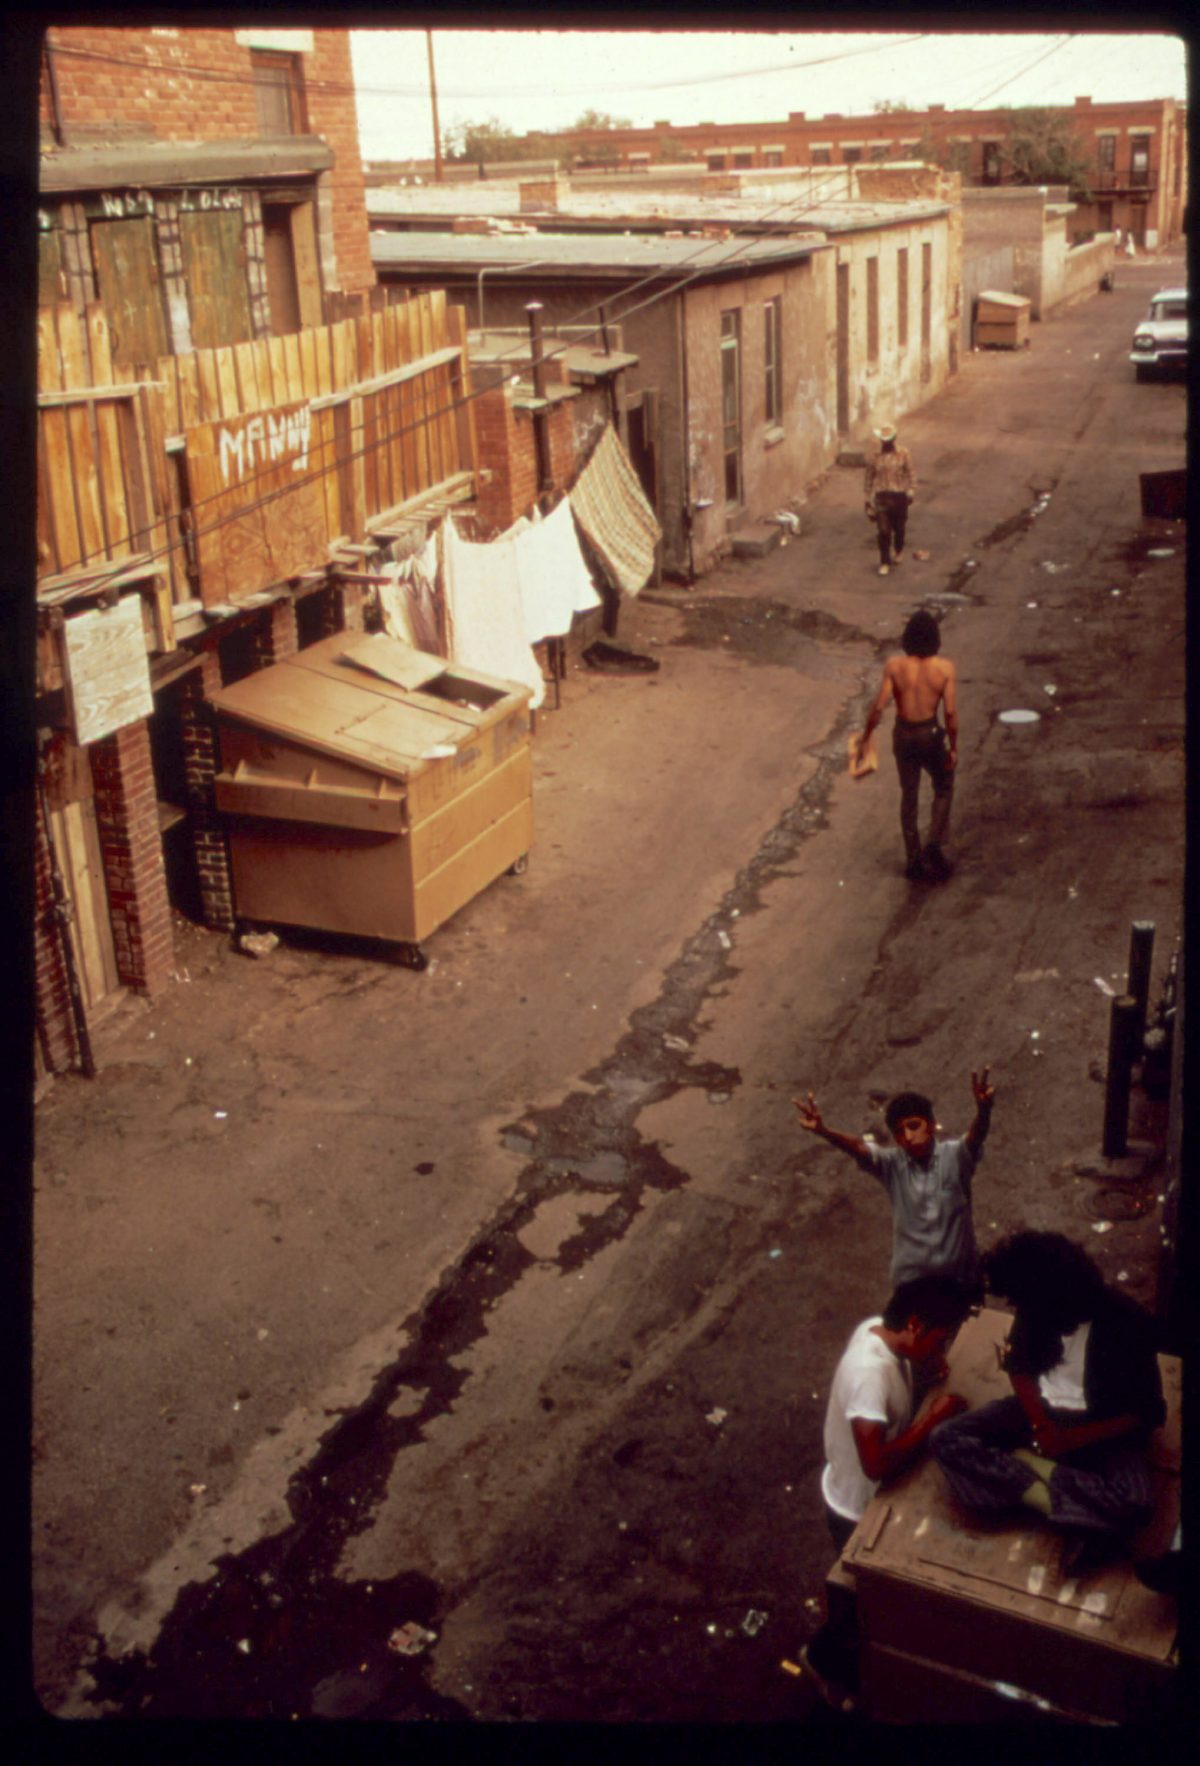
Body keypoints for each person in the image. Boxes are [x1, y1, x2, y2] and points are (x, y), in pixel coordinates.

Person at [931, 1230, 1166, 1579]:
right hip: (1043, 1419)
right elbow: (1019, 1371)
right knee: (945, 1439)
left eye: (1021, 1303)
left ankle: (1031, 1478)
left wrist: (1073, 1440)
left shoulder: (1127, 1324)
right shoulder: (1036, 1310)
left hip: (1101, 1430)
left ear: (1056, 1295)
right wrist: (1041, 1424)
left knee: (1137, 1503)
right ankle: (1066, 1509)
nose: (1018, 1311)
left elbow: (1146, 1414)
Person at [801, 1274, 973, 1707]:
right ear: (914, 1324)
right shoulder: (868, 1376)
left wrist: (925, 1366)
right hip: (855, 1511)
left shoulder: (878, 1330)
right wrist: (931, 1420)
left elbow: (899, 1375)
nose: (940, 1348)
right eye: (937, 1340)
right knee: (855, 1610)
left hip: (861, 1493)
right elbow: (875, 1464)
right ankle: (822, 1663)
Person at [794, 1071, 994, 1309]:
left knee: (969, 1343)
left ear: (930, 1125)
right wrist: (824, 1131)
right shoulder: (892, 1164)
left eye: (913, 1126)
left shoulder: (956, 1156)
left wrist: (984, 1110)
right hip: (913, 1287)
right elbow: (859, 1146)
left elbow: (975, 1137)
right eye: (899, 1132)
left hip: (963, 1282)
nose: (908, 1137)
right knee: (914, 1344)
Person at [860, 607, 957, 881]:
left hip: (903, 734)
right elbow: (950, 714)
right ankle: (933, 845)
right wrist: (954, 746)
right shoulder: (944, 669)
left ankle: (913, 858)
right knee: (944, 785)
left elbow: (878, 707)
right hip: (930, 732)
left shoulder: (894, 667)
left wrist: (866, 737)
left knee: (909, 795)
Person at [864, 421, 916, 577]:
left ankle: (898, 549)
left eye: (888, 440)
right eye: (883, 440)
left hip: (899, 496)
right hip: (882, 497)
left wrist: (911, 489)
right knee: (883, 530)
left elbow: (911, 472)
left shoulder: (903, 453)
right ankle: (885, 561)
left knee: (899, 528)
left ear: (894, 439)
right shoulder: (874, 456)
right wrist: (868, 498)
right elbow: (869, 477)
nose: (886, 443)